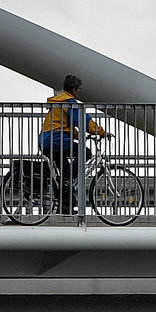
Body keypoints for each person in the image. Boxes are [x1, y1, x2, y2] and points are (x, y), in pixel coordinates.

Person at [40, 74, 110, 212]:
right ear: (73, 89)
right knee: (86, 153)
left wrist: (80, 136)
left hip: (48, 140)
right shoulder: (69, 102)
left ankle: (66, 207)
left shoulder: (59, 102)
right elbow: (84, 120)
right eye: (79, 89)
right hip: (56, 140)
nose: (79, 92)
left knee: (66, 175)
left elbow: (66, 126)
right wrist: (101, 132)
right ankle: (65, 183)